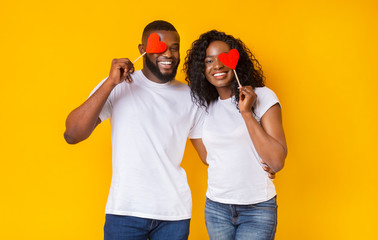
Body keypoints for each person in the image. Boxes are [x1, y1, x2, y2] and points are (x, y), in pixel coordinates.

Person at [64, 20, 205, 240]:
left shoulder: (190, 96)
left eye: (174, 47)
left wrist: (259, 162)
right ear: (142, 50)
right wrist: (110, 83)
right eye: (160, 46)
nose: (168, 54)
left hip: (174, 214)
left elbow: (209, 155)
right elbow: (72, 134)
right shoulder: (118, 86)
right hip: (125, 212)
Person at [183, 30, 287, 240]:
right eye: (209, 61)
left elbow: (276, 160)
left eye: (223, 58)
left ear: (236, 62)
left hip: (257, 208)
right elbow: (208, 157)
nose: (217, 66)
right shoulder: (203, 106)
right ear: (201, 69)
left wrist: (246, 113)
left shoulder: (263, 96)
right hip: (216, 208)